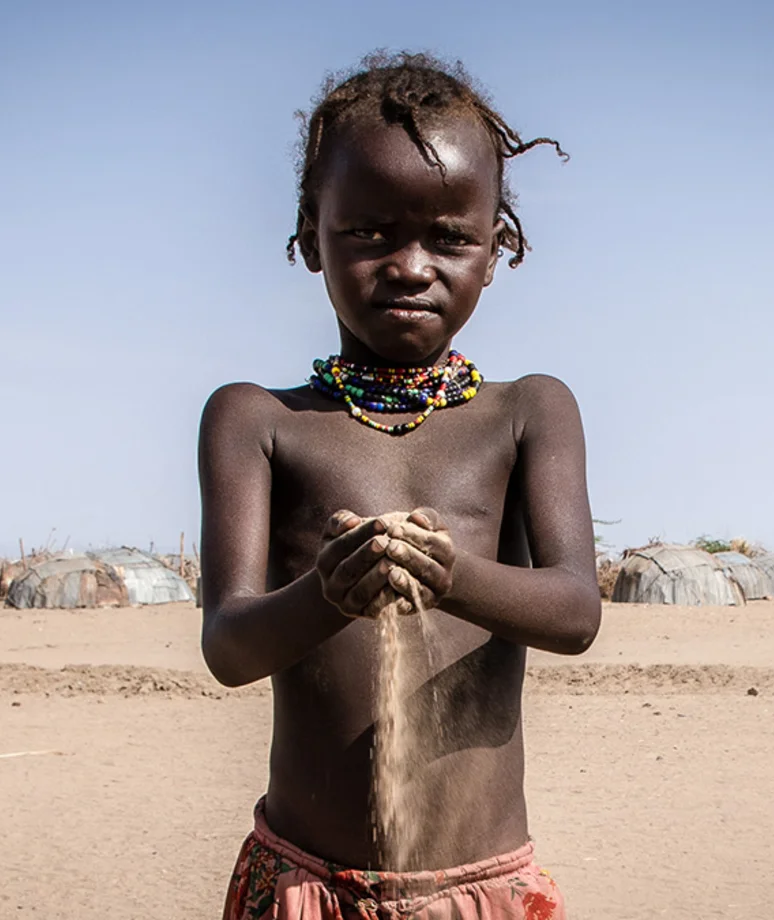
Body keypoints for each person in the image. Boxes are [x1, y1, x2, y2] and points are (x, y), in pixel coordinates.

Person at [198, 50, 600, 920]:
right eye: (369, 233)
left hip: (479, 885)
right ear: (312, 237)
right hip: (304, 883)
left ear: (497, 249)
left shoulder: (526, 414)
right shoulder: (256, 421)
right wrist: (328, 595)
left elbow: (574, 612)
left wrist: (448, 576)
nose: (411, 265)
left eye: (450, 237)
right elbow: (229, 646)